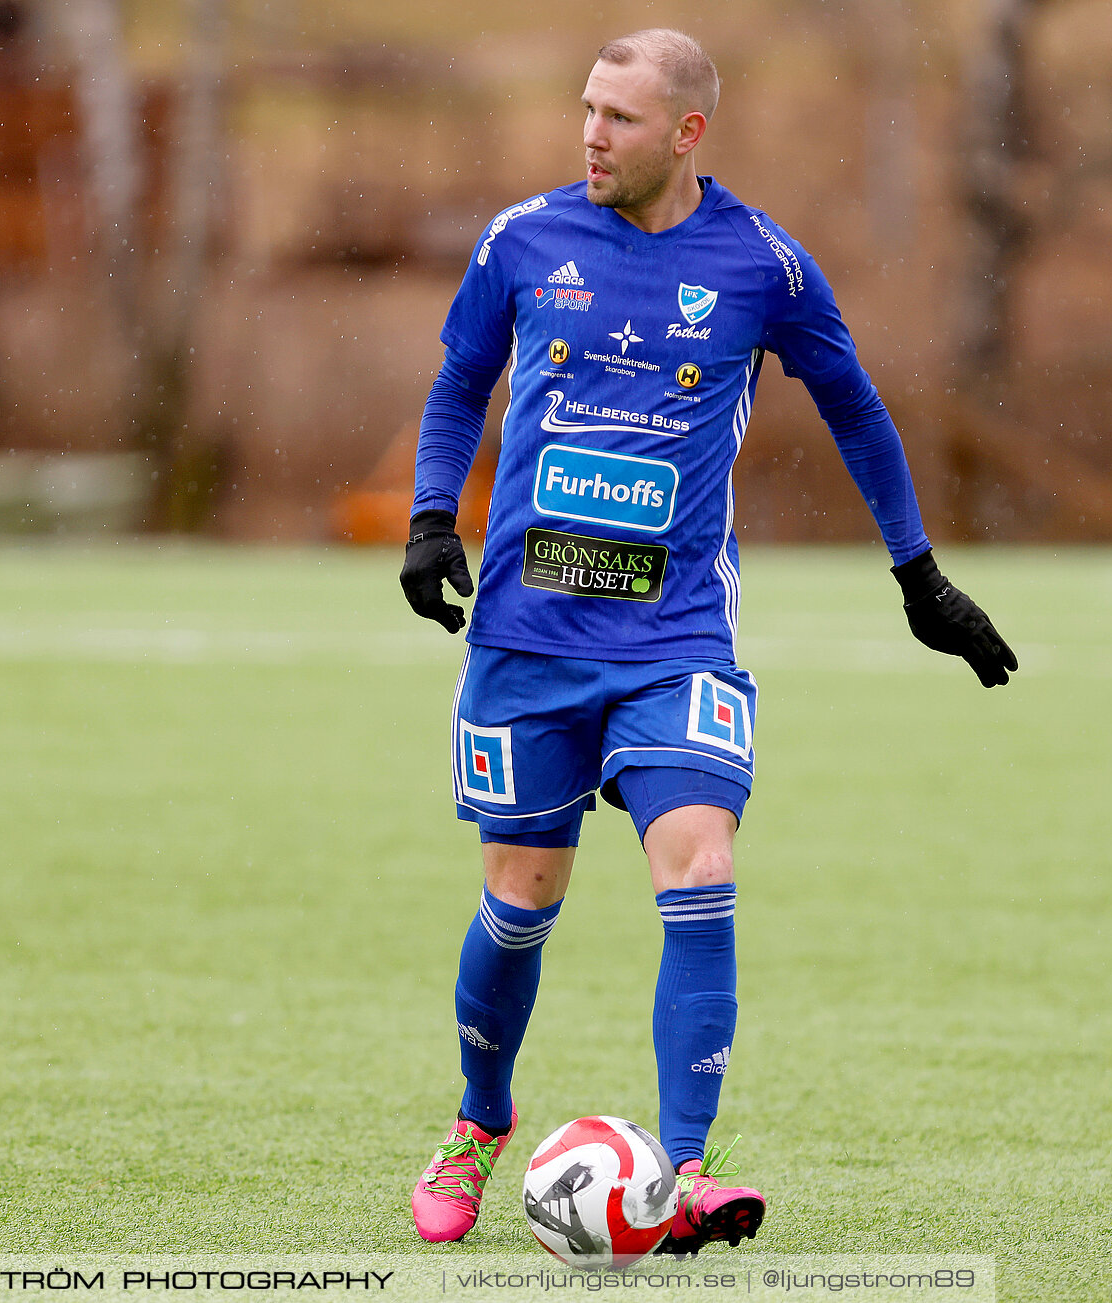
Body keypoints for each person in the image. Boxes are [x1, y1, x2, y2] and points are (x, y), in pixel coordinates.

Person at [397, 29, 1017, 1255]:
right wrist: (429, 518)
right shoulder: (521, 241)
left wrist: (919, 575)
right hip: (527, 639)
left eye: (620, 118)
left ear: (687, 134)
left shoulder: (763, 267)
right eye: (586, 108)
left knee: (699, 866)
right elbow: (462, 379)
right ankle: (479, 1120)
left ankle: (686, 1168)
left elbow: (856, 406)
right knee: (520, 903)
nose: (590, 133)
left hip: (676, 640)